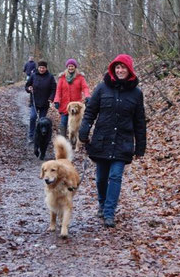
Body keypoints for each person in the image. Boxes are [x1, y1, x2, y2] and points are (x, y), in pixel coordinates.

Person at [78, 54, 146, 228]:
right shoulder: (102, 88)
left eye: (123, 67)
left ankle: (109, 212)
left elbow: (139, 121)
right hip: (102, 140)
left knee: (115, 176)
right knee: (101, 178)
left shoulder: (136, 94)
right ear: (113, 69)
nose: (120, 70)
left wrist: (140, 147)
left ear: (129, 70)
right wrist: (84, 130)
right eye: (117, 67)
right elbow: (90, 111)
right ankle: (102, 204)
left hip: (123, 142)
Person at [53, 58, 90, 137]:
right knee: (63, 123)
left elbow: (85, 88)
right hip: (65, 106)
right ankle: (63, 140)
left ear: (75, 67)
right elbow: (58, 90)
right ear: (67, 67)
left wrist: (87, 96)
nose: (70, 68)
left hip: (76, 107)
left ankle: (74, 141)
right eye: (69, 66)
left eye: (72, 66)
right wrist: (56, 100)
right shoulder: (62, 78)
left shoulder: (80, 77)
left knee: (75, 125)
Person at [25, 60, 56, 143]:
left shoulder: (50, 77)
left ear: (46, 68)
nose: (42, 69)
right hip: (34, 102)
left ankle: (41, 137)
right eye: (40, 67)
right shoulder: (33, 75)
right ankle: (31, 135)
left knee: (42, 121)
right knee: (33, 117)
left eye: (43, 68)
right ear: (38, 68)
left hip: (45, 103)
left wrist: (51, 98)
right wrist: (29, 88)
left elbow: (54, 89)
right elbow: (27, 85)